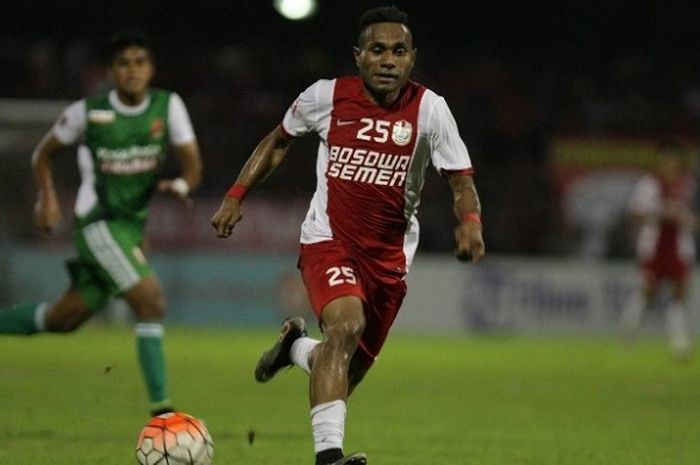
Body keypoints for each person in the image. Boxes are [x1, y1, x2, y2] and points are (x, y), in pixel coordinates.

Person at [211, 5, 484, 464]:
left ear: (412, 58)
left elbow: (461, 180)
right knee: (345, 327)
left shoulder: (430, 110)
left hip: (389, 261)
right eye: (377, 50)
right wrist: (237, 194)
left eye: (398, 51)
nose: (388, 60)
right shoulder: (326, 97)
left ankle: (294, 349)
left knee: (341, 366)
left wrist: (471, 224)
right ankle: (328, 458)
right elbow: (278, 141)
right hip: (329, 241)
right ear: (358, 56)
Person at [0, 31, 203, 416]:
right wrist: (47, 197)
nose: (132, 70)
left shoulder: (167, 106)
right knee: (151, 302)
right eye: (124, 63)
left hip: (128, 228)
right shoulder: (87, 113)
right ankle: (164, 415)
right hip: (98, 225)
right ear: (111, 71)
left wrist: (180, 184)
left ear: (151, 69)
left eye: (140, 62)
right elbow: (42, 155)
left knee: (62, 319)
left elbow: (193, 167)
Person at [620, 141, 697, 360]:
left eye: (675, 161)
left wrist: (687, 220)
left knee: (680, 292)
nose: (671, 165)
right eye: (667, 161)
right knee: (648, 291)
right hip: (653, 246)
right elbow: (635, 213)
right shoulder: (649, 184)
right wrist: (662, 213)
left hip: (680, 247)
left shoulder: (687, 184)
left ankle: (679, 343)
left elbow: (690, 216)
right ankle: (629, 329)